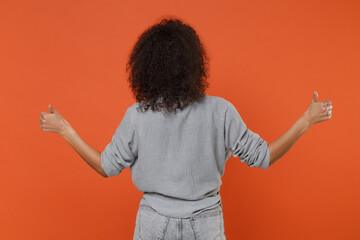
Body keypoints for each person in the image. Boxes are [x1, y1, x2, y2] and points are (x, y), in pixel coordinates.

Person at [39, 16, 333, 240]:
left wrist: (65, 129)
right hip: (205, 223)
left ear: (146, 66)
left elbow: (106, 167)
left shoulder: (137, 116)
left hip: (153, 222)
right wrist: (305, 121)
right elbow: (263, 156)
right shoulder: (221, 111)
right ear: (194, 64)